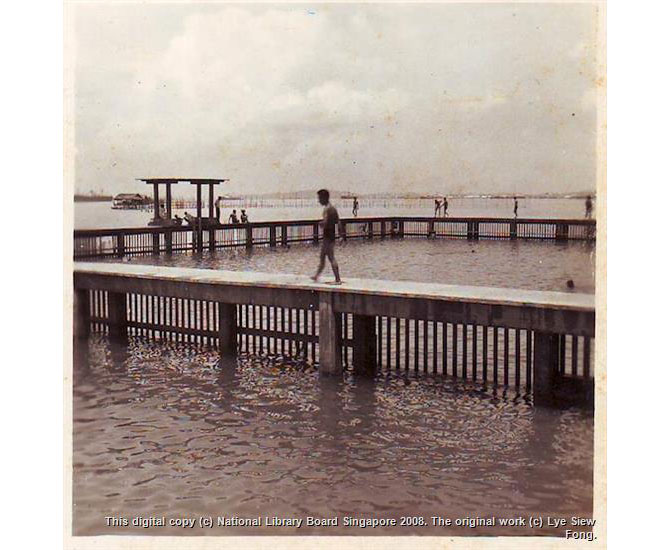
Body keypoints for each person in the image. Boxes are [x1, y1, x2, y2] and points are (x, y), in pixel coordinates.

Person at [311, 189, 342, 284]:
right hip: (331, 235)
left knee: (331, 257)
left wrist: (320, 224)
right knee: (322, 257)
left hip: (327, 236)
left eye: (320, 198)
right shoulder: (333, 208)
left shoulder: (327, 209)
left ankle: (337, 279)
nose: (319, 200)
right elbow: (339, 222)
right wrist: (341, 235)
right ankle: (316, 276)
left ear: (324, 198)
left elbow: (325, 222)